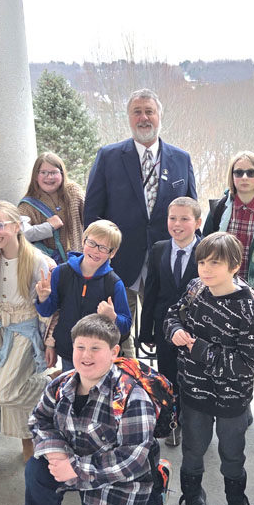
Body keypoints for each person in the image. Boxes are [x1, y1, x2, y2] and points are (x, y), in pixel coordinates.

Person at [9, 314, 168, 505]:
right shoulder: (60, 384)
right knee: (36, 468)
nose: (86, 355)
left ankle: (156, 484)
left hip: (119, 478)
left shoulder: (131, 397)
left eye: (96, 348)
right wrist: (56, 452)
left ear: (114, 352)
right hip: (73, 463)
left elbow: (131, 459)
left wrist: (74, 469)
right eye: (80, 347)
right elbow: (39, 419)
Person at [164, 232, 254, 505]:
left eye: (215, 263)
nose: (206, 269)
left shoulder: (250, 307)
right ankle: (192, 493)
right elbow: (173, 315)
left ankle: (235, 499)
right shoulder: (196, 288)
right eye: (202, 262)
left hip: (231, 397)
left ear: (234, 266)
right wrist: (174, 330)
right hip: (194, 391)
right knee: (193, 448)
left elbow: (249, 363)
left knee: (231, 452)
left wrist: (199, 349)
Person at [84, 88, 197, 351]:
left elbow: (192, 210)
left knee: (170, 331)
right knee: (115, 334)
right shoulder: (108, 156)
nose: (144, 118)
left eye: (149, 111)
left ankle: (163, 375)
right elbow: (92, 214)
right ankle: (125, 375)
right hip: (119, 261)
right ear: (128, 117)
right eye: (137, 112)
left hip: (167, 264)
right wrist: (100, 253)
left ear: (159, 116)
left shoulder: (181, 159)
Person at [0, 201, 53, 462]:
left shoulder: (36, 260)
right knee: (12, 396)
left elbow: (51, 309)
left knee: (2, 393)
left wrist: (49, 342)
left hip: (25, 332)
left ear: (16, 226)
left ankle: (50, 385)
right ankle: (28, 443)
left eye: (0, 225)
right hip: (2, 331)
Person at [140, 197, 202, 447]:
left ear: (198, 222)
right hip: (165, 326)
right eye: (172, 218)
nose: (177, 224)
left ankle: (195, 423)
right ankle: (173, 422)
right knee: (168, 376)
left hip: (197, 329)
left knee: (195, 377)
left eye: (184, 219)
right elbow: (151, 291)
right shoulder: (159, 249)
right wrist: (146, 331)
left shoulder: (207, 250)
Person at [35, 220, 132, 371]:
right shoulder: (61, 272)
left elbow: (126, 324)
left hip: (98, 355)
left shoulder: (114, 283)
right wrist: (43, 298)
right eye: (92, 243)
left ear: (112, 252)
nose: (95, 251)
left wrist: (113, 317)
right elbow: (48, 312)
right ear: (83, 241)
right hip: (68, 351)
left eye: (103, 247)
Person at [203, 150, 254, 291]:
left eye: (251, 173)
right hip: (222, 286)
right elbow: (205, 248)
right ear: (232, 176)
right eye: (238, 173)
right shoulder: (219, 208)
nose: (244, 177)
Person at [18, 152, 85, 264]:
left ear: (62, 174)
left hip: (80, 260)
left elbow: (91, 219)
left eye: (54, 172)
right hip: (50, 265)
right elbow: (18, 233)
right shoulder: (27, 205)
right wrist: (48, 227)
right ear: (35, 176)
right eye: (43, 172)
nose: (49, 177)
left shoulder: (74, 193)